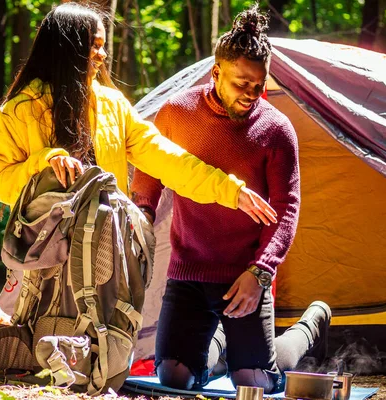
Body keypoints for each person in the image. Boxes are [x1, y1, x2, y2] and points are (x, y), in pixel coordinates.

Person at [0, 2, 278, 377]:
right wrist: (44, 162)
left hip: (99, 247)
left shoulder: (113, 106)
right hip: (42, 248)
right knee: (16, 342)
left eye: (103, 44)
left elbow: (168, 158)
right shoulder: (21, 111)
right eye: (95, 45)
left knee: (90, 338)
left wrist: (231, 190)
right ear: (68, 47)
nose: (103, 54)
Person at [130, 6, 330, 393]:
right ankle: (222, 339)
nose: (252, 94)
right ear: (216, 72)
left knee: (254, 381)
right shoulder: (175, 113)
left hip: (245, 275)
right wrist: (136, 226)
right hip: (188, 271)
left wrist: (261, 272)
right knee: (173, 376)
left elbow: (287, 209)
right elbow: (148, 183)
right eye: (242, 83)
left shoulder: (276, 129)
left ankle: (312, 324)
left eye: (260, 84)